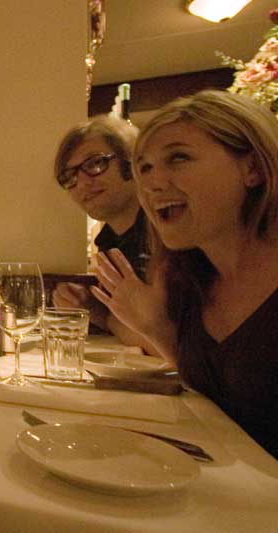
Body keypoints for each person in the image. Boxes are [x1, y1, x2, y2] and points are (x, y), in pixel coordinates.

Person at [90, 90, 278, 458]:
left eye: (178, 158)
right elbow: (217, 392)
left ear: (252, 168)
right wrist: (156, 327)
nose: (152, 183)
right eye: (144, 167)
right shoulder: (191, 278)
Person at [50, 116, 152, 349]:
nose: (82, 183)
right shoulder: (109, 242)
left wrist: (103, 317)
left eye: (95, 164)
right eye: (70, 176)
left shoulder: (167, 235)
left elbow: (165, 340)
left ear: (131, 162)